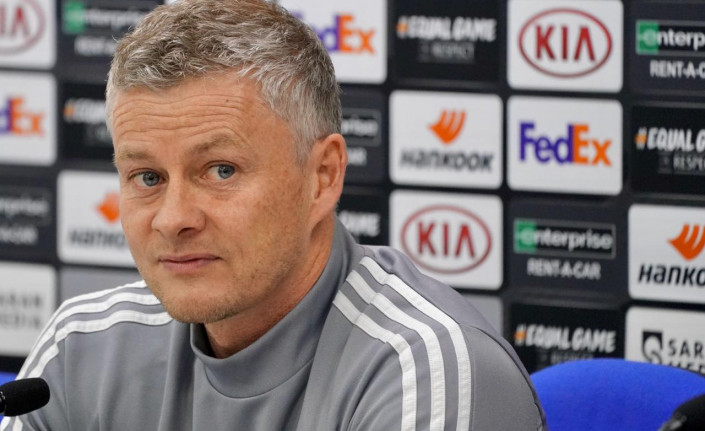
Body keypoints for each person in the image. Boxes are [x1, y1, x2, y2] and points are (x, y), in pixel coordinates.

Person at [2, 0, 545, 429]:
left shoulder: (426, 372)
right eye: (148, 177)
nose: (173, 218)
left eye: (221, 170)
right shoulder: (81, 348)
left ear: (323, 176)